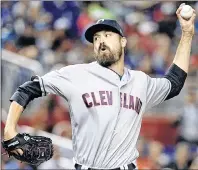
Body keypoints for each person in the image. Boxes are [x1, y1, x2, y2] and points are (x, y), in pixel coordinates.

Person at [3, 4, 196, 170]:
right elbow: (28, 89)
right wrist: (10, 128)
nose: (101, 41)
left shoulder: (140, 81)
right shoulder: (76, 74)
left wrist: (187, 33)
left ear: (123, 41)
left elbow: (175, 83)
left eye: (107, 35)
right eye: (96, 38)